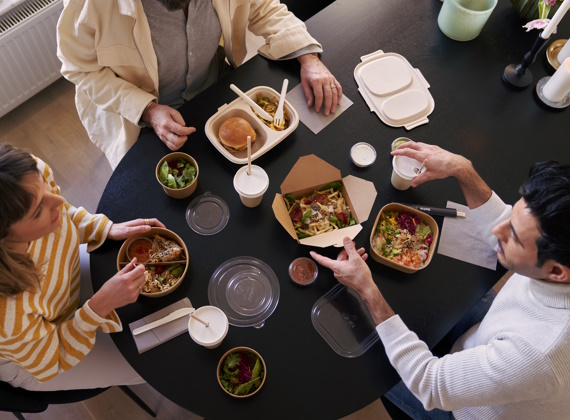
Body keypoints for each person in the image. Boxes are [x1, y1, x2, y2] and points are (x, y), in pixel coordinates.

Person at [311, 141, 570, 419]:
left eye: (514, 237)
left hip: (462, 410)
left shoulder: (537, 353)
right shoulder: (558, 258)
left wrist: (366, 288)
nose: (499, 230)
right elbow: (513, 228)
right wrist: (463, 169)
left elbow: (430, 384)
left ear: (556, 272)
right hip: (486, 339)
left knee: (366, 369)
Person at [56, 0, 343, 169]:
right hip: (141, 120)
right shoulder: (89, 5)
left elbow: (263, 7)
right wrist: (147, 109)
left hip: (214, 91)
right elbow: (80, 68)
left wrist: (308, 57)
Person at [0, 143, 165, 390]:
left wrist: (104, 228)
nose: (57, 199)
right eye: (37, 212)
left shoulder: (25, 176)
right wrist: (99, 307)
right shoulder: (6, 314)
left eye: (44, 184)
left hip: (63, 293)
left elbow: (63, 211)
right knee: (153, 365)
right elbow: (51, 359)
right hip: (41, 357)